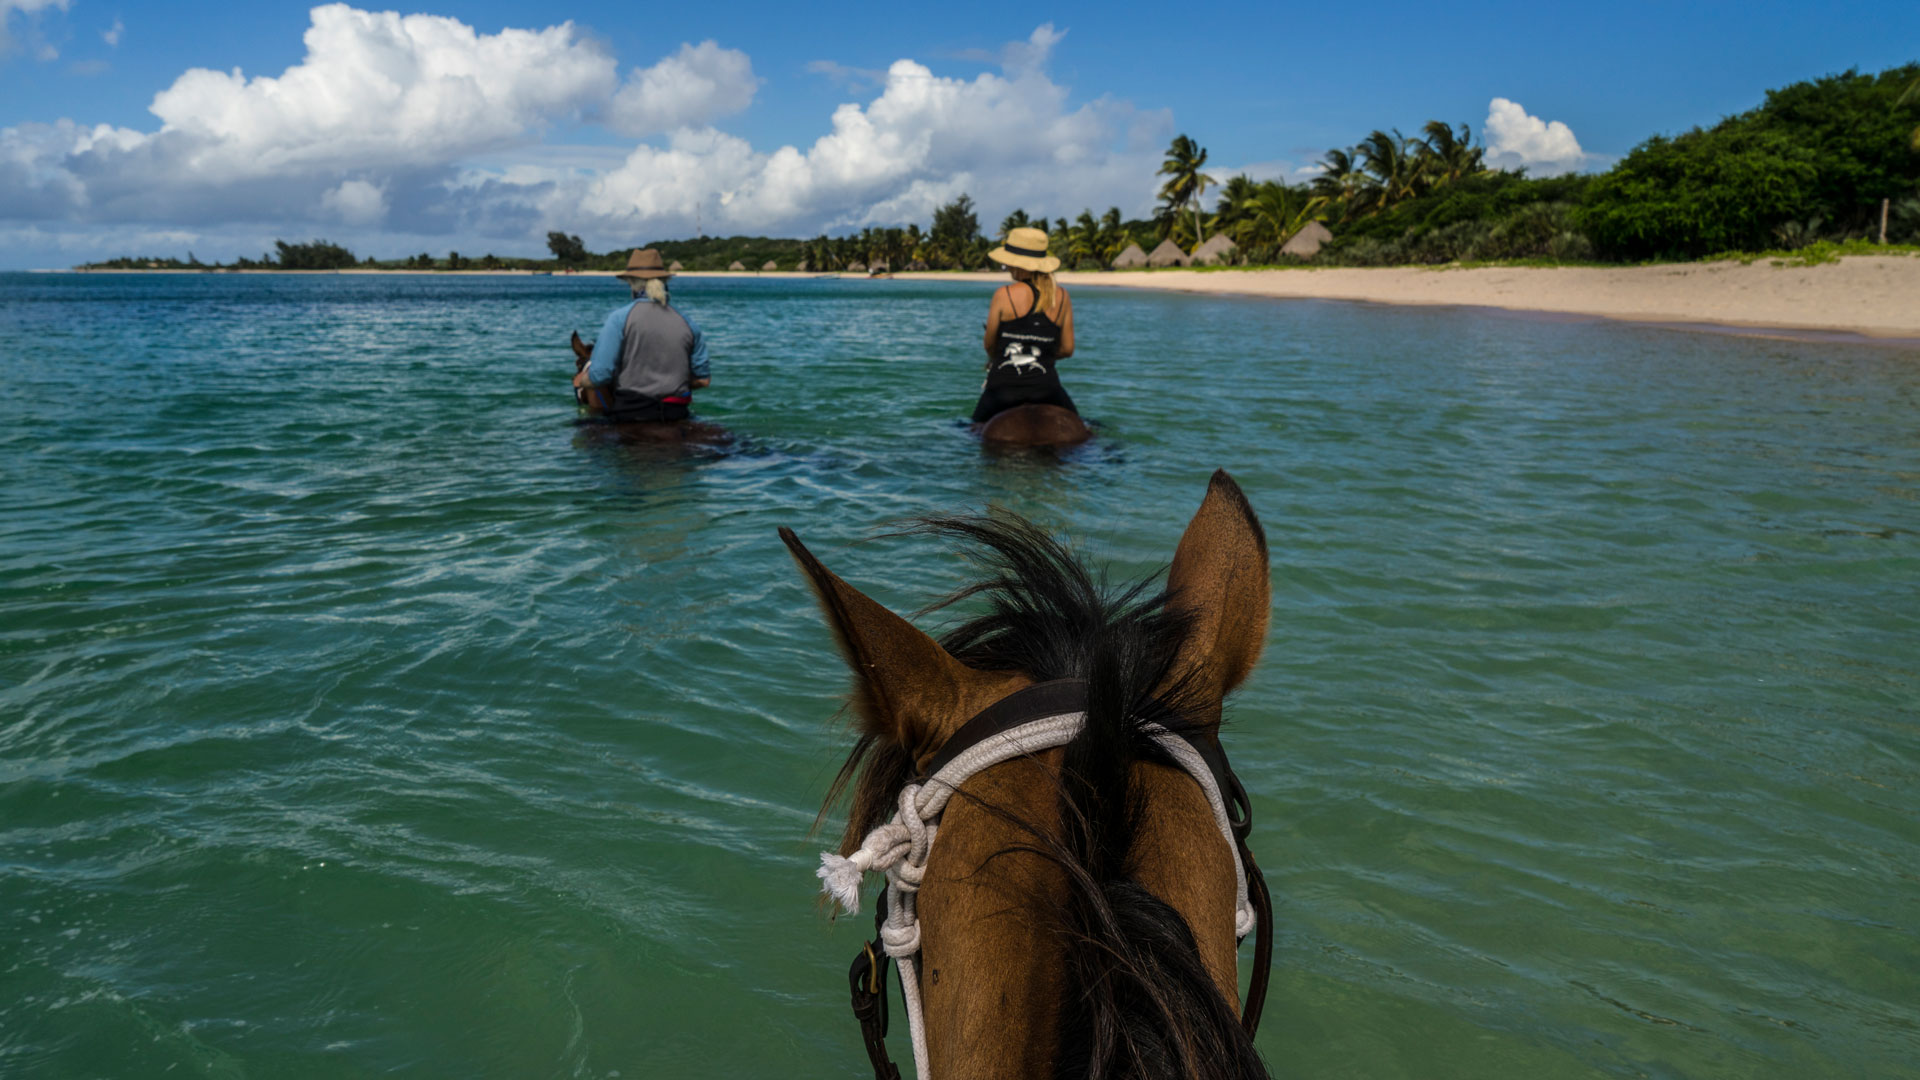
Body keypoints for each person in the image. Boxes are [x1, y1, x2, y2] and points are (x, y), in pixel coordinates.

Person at [574, 248, 710, 422]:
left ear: (632, 283)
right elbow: (703, 380)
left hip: (632, 413)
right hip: (677, 413)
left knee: (583, 433)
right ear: (664, 282)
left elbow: (601, 375)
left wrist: (581, 382)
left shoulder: (619, 319)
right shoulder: (688, 322)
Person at [974, 226, 1076, 424]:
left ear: (1016, 264)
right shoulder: (1062, 296)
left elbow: (989, 345)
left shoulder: (1003, 294)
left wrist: (1000, 354)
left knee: (971, 431)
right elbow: (1068, 349)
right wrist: (1042, 352)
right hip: (1047, 389)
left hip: (1003, 391)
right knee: (1087, 428)